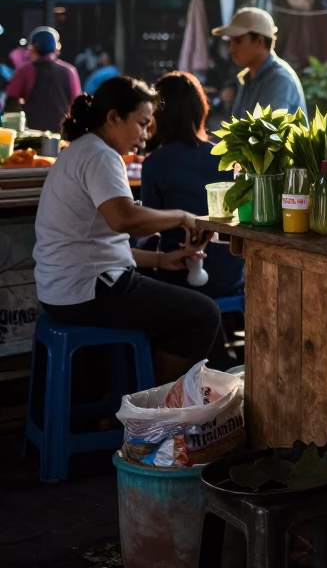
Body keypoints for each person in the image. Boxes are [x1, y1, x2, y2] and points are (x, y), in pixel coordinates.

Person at [33, 77, 224, 382]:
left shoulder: (82, 149)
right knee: (203, 315)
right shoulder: (100, 155)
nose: (146, 135)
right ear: (113, 118)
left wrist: (162, 260)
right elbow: (124, 218)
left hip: (63, 289)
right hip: (85, 291)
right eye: (141, 123)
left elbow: (100, 247)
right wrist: (182, 216)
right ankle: (154, 412)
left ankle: (131, 402)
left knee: (179, 310)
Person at [141, 71, 243, 298]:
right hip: (230, 274)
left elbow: (147, 224)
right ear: (200, 111)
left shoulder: (155, 163)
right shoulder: (225, 157)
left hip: (178, 275)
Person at [212, 7, 306, 118]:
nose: (231, 48)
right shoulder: (248, 78)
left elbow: (267, 132)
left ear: (259, 41)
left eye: (238, 41)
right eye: (230, 41)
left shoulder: (279, 80)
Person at [4, 27, 82, 134]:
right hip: (62, 135)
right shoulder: (69, 71)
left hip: (32, 135)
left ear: (33, 48)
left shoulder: (25, 71)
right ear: (57, 48)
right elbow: (77, 104)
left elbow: (11, 102)